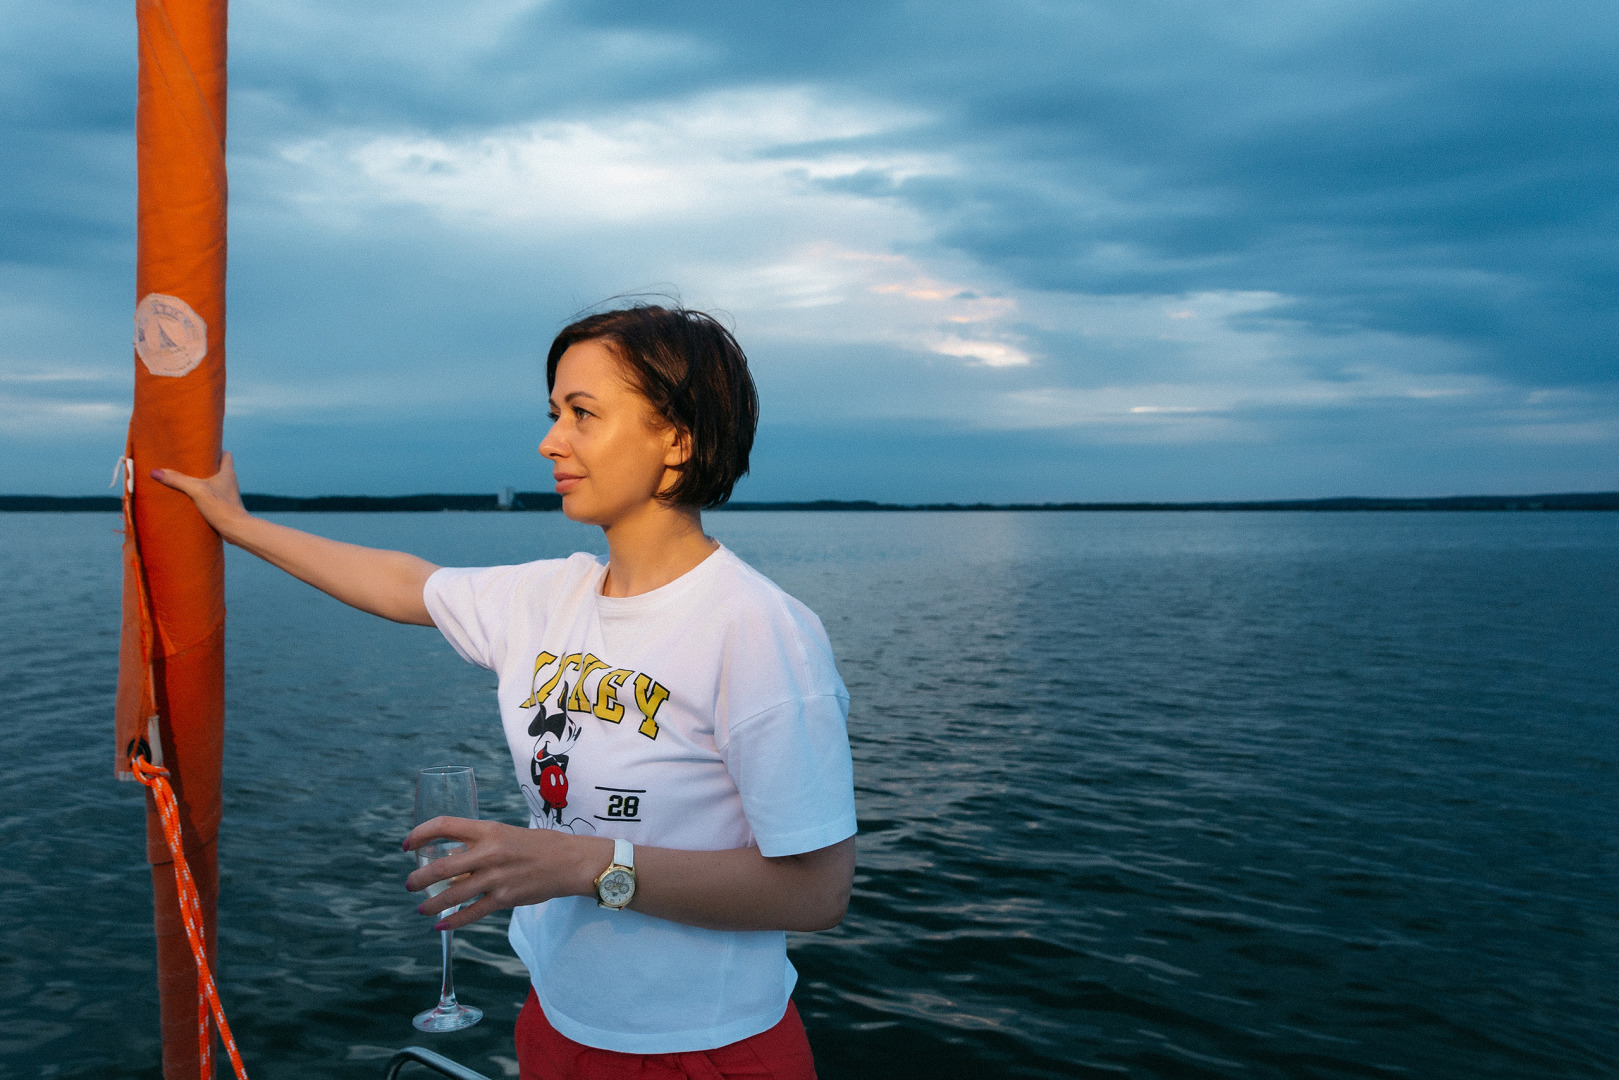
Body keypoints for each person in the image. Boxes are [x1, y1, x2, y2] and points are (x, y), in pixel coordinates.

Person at [153, 305, 858, 1080]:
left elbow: (815, 891)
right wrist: (233, 522)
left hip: (705, 1051)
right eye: (555, 413)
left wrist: (579, 865)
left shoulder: (756, 628)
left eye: (583, 414)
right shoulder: (548, 598)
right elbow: (402, 582)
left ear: (677, 439)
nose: (549, 441)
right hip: (556, 1021)